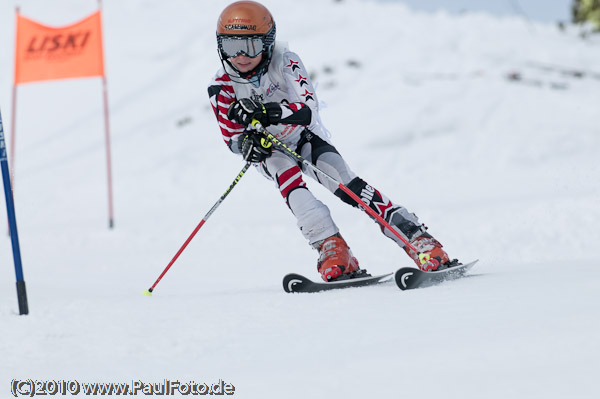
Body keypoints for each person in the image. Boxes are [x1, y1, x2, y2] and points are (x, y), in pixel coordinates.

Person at [208, 1, 454, 282]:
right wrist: (248, 145)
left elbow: (307, 110)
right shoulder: (221, 86)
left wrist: (267, 112)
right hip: (270, 149)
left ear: (267, 43)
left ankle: (417, 238)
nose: (240, 56)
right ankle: (332, 248)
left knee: (347, 185)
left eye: (250, 46)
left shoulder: (285, 61)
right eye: (230, 47)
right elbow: (231, 138)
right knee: (289, 183)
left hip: (302, 136)